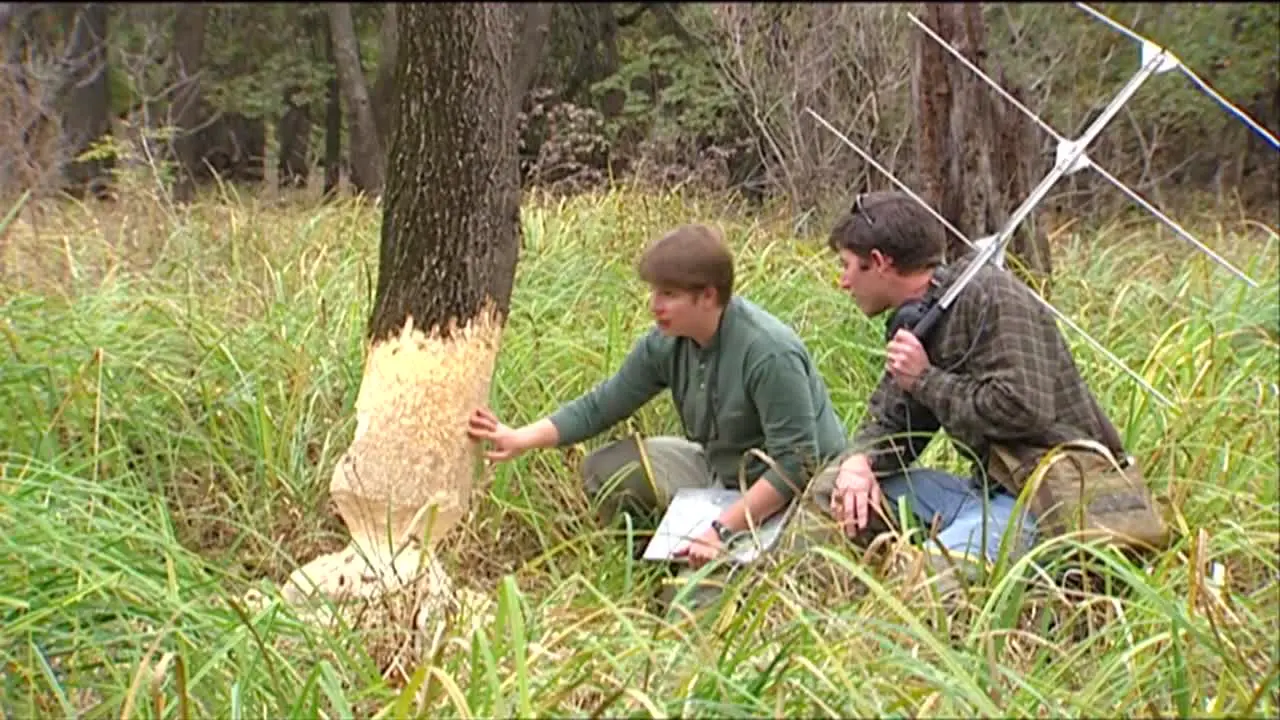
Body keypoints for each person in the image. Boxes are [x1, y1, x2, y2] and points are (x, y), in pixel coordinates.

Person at [466, 223, 848, 596]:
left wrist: (719, 531)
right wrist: (521, 438)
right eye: (654, 292)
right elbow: (603, 405)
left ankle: (733, 569)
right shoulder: (667, 343)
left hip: (802, 490)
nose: (655, 306)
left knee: (699, 608)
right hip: (725, 477)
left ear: (708, 296)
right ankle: (660, 556)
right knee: (607, 470)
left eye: (668, 294)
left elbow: (795, 466)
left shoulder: (768, 352)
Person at [810, 190, 1158, 584]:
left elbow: (1025, 406)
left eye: (848, 267)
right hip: (981, 495)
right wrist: (861, 461)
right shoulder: (920, 320)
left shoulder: (991, 297)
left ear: (879, 263)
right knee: (833, 489)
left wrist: (926, 380)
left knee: (923, 581)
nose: (843, 282)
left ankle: (1029, 586)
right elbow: (896, 422)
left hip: (1050, 504)